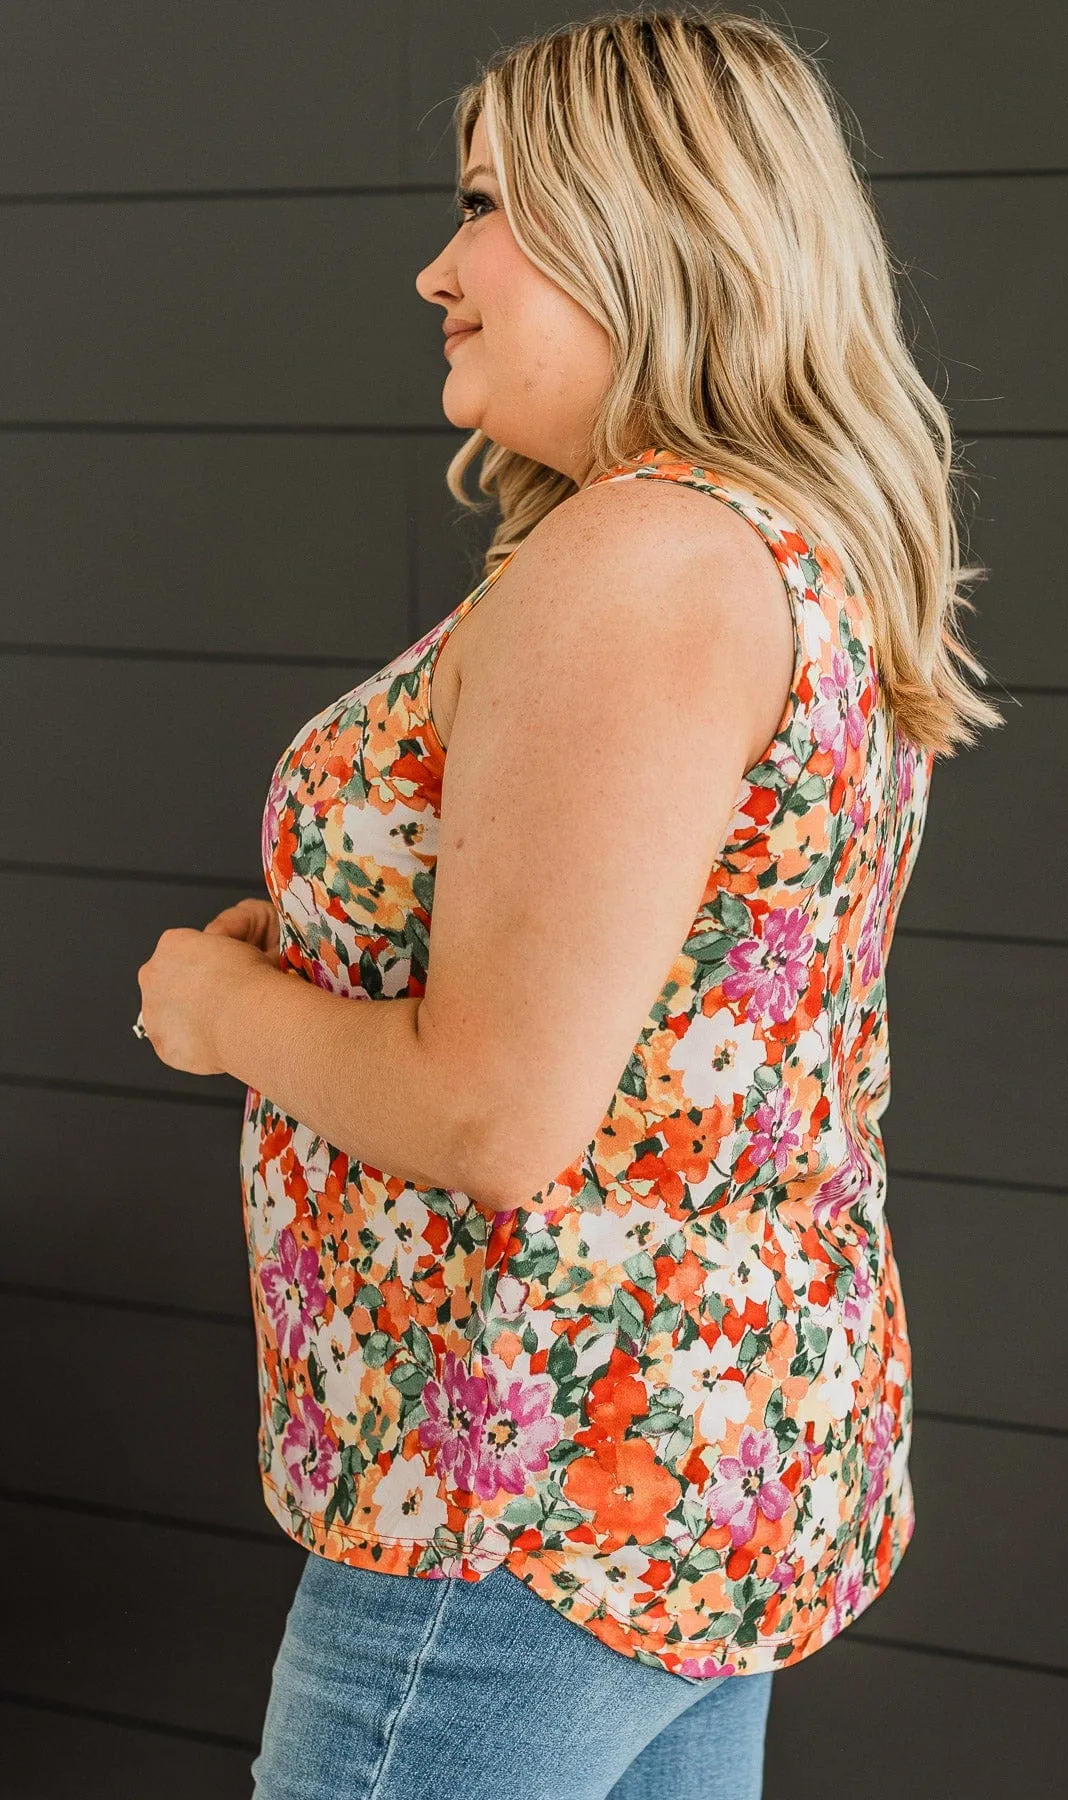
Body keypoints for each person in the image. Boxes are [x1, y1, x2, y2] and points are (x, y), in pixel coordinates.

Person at [134, 7, 1004, 1797]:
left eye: (485, 206)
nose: (437, 266)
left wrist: (224, 1014)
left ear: (647, 220)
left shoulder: (642, 564)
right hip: (687, 1482)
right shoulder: (769, 543)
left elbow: (496, 1111)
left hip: (522, 1506)